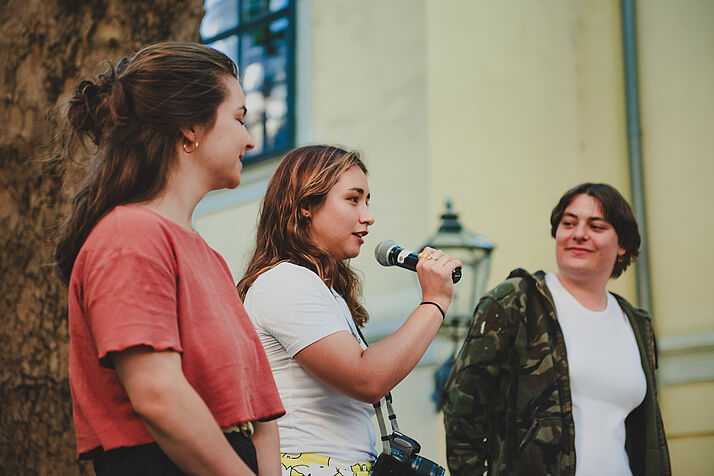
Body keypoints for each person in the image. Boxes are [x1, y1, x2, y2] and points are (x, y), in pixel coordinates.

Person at [54, 42, 285, 475]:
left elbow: (259, 420)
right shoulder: (129, 237)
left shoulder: (208, 258)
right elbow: (158, 396)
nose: (250, 140)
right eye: (238, 119)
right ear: (189, 129)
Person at [237, 145, 462, 476]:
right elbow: (366, 378)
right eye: (353, 199)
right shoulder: (285, 281)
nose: (368, 215)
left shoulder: (326, 291)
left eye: (367, 201)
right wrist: (435, 302)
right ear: (305, 207)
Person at [443, 183, 670, 476]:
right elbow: (461, 411)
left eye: (596, 226)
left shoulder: (637, 325)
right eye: (568, 223)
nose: (579, 234)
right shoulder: (516, 302)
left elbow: (646, 436)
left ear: (623, 244)